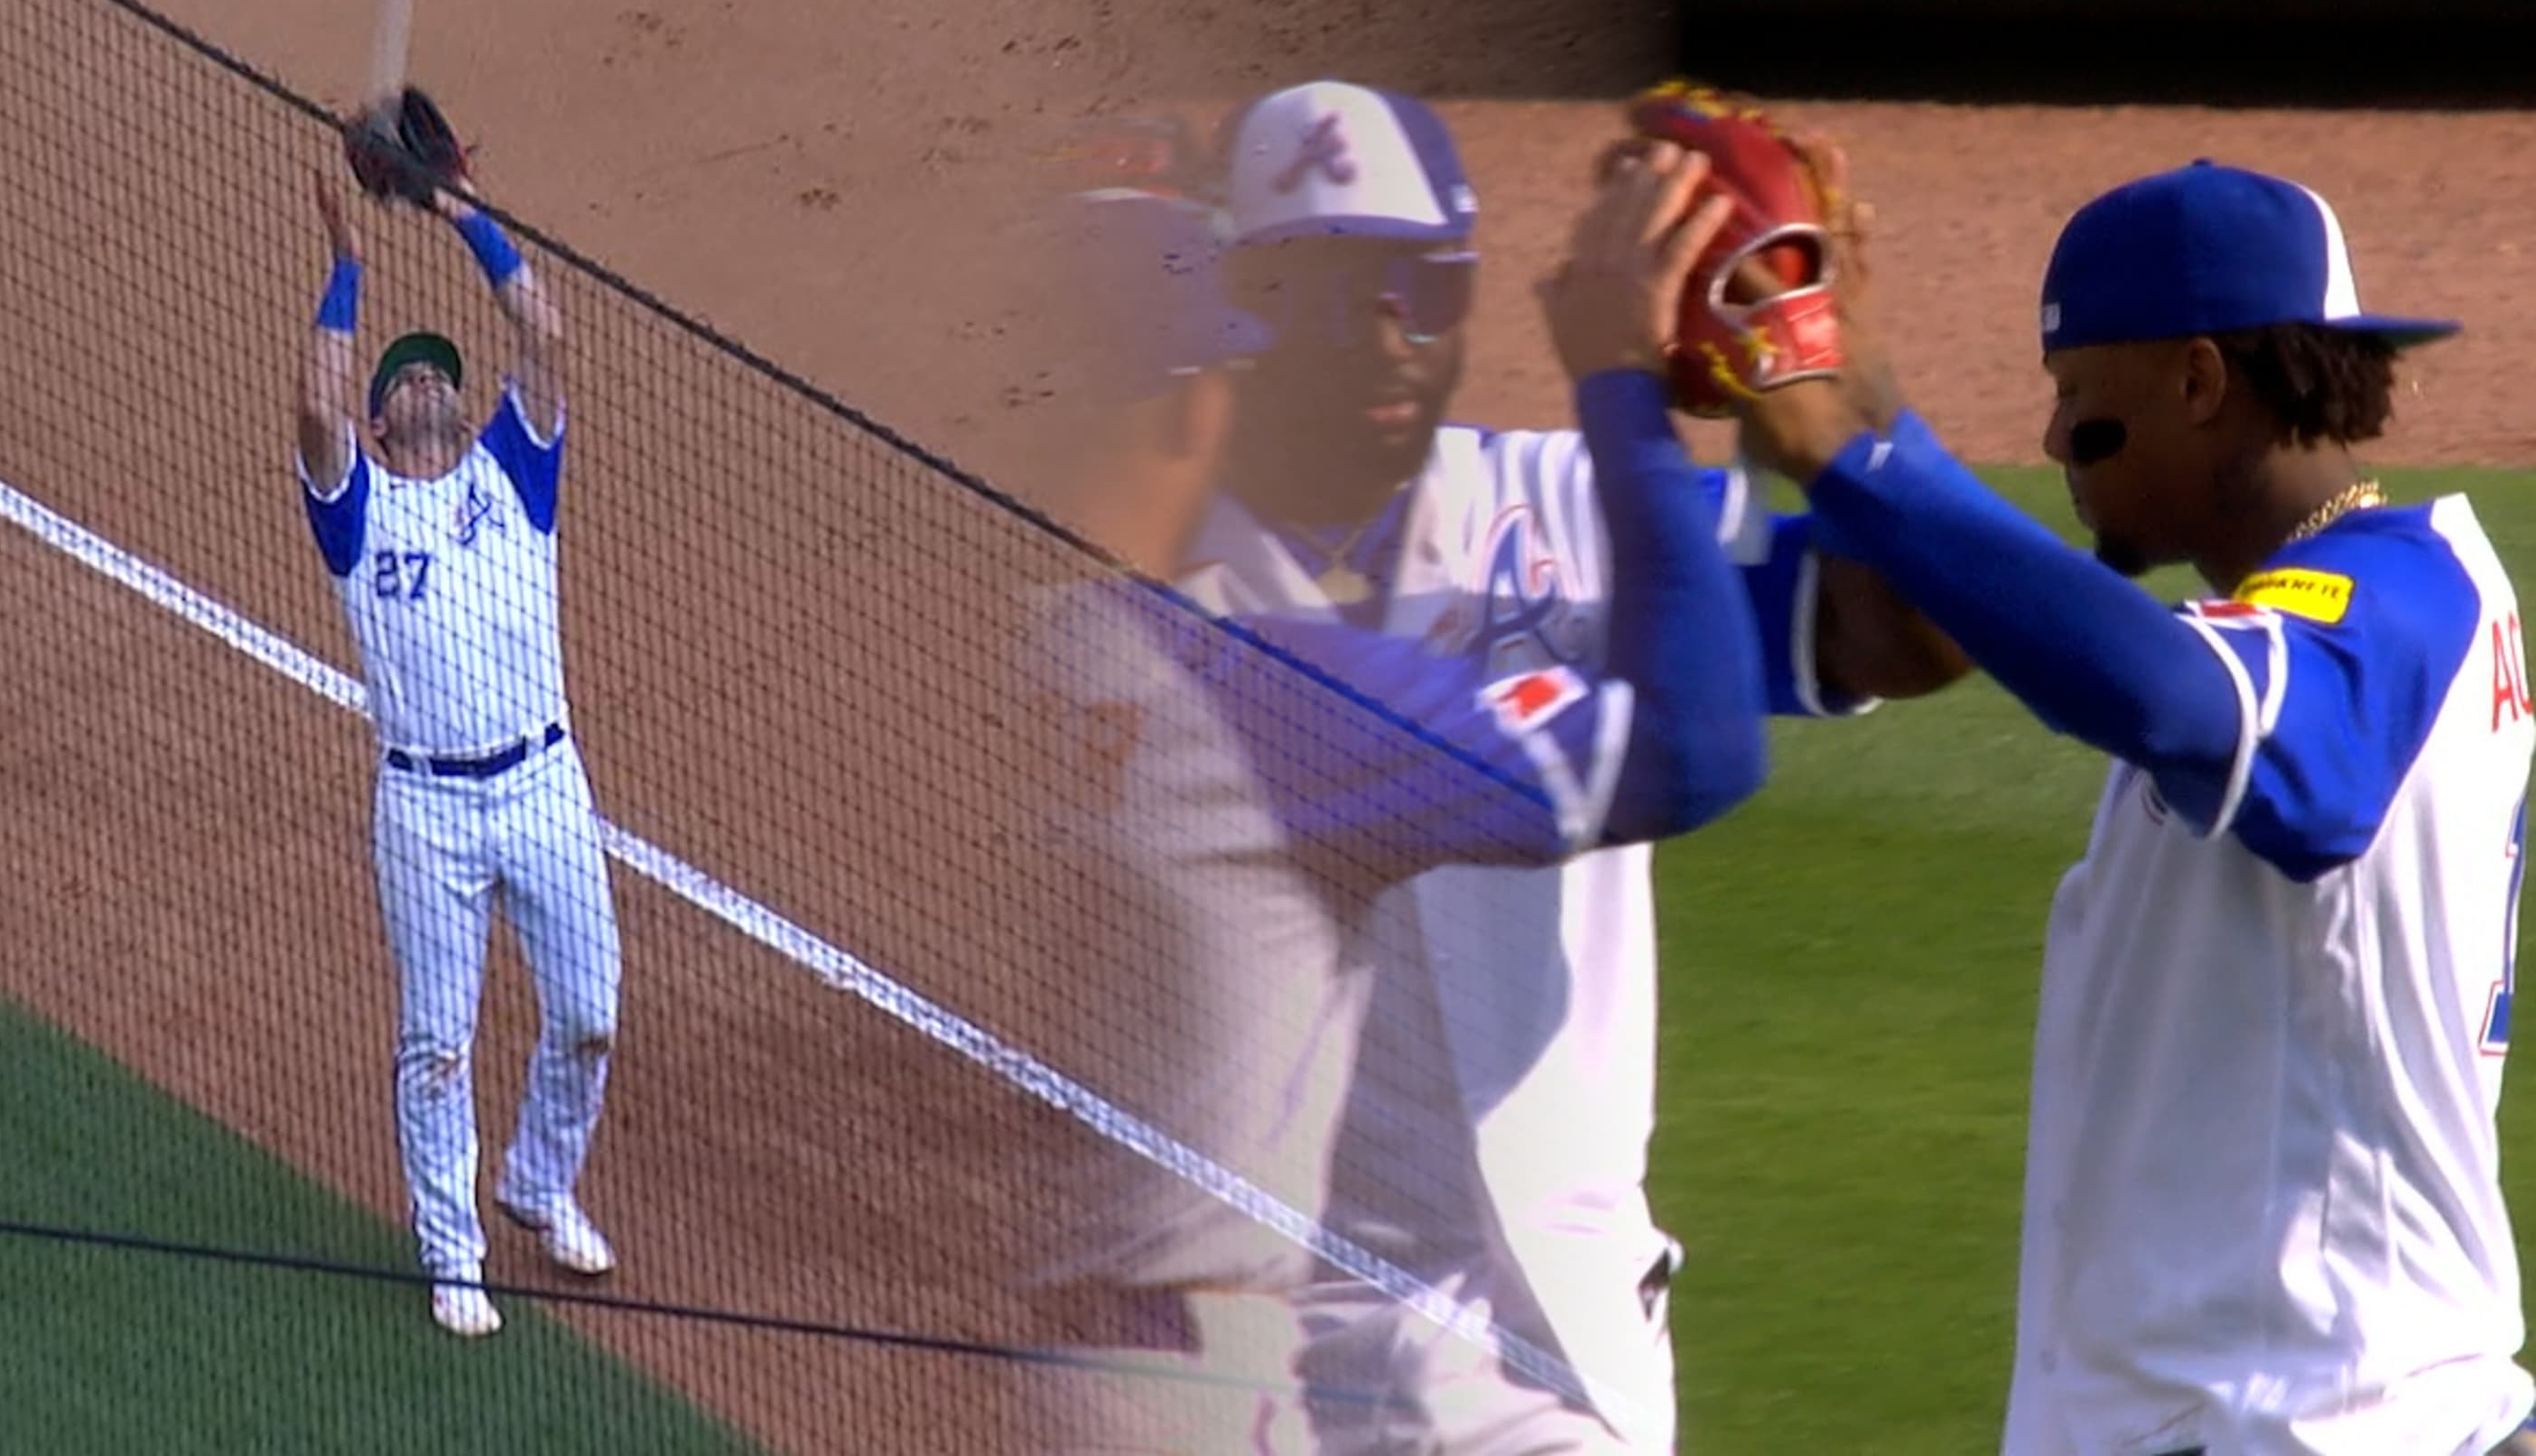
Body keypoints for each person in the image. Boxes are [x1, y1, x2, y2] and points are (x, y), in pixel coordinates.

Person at [1178, 80, 1967, 1454]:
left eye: (1420, 287)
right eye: (1320, 287)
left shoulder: (1574, 507)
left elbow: (1914, 634)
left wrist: (1839, 360)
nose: (1380, 336)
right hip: (1262, 1351)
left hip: (1561, 1348)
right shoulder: (1165, 578)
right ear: (1244, 297)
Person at [1718, 154, 2536, 1455]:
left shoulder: (2400, 601)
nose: (2052, 447)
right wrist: (1866, 400)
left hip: (2326, 1418)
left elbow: (2172, 701)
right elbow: (2095, 636)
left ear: (2200, 381)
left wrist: (1843, 460)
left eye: (2077, 399)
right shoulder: (2349, 603)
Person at [1007, 128, 1790, 1449]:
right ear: (1197, 402)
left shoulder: (944, 653)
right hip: (1205, 1388)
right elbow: (1695, 751)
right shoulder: (1250, 699)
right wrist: (1638, 393)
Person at [294, 166, 624, 1340]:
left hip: (542, 783)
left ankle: (539, 1184)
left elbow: (548, 330)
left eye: (439, 369)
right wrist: (347, 272)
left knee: (589, 1012)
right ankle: (453, 1253)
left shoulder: (514, 470)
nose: (426, 378)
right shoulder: (356, 510)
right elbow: (315, 414)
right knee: (439, 1042)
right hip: (426, 815)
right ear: (385, 423)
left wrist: (459, 209)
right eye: (406, 377)